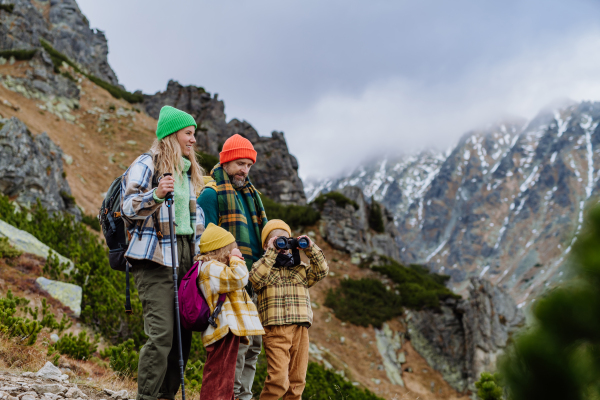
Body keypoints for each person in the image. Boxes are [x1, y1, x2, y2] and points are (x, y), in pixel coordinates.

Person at [121, 105, 204, 400]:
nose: (193, 140)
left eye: (194, 134)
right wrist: (155, 195)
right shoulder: (147, 164)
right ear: (171, 135)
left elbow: (197, 220)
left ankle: (165, 397)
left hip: (185, 257)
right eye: (188, 133)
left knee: (183, 338)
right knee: (162, 336)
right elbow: (127, 209)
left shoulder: (187, 171)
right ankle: (147, 397)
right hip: (154, 258)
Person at [196, 134, 268, 400]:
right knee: (235, 345)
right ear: (225, 162)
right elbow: (204, 242)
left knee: (254, 345)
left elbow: (262, 238)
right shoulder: (211, 195)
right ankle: (231, 395)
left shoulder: (252, 197)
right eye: (239, 164)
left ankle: (244, 395)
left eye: (249, 165)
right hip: (227, 281)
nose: (244, 170)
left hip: (253, 280)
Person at [248, 220, 329, 400]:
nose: (282, 246)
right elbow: (255, 280)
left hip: (300, 329)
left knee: (297, 382)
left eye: (285, 241)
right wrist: (271, 252)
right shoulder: (262, 267)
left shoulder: (300, 269)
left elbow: (322, 270)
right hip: (275, 330)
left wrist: (310, 247)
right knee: (278, 381)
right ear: (266, 245)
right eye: (277, 241)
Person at [196, 223, 265, 400]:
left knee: (226, 375)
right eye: (232, 249)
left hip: (228, 329)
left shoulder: (215, 268)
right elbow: (240, 278)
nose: (236, 252)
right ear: (222, 250)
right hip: (222, 328)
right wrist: (236, 260)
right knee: (219, 374)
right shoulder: (210, 267)